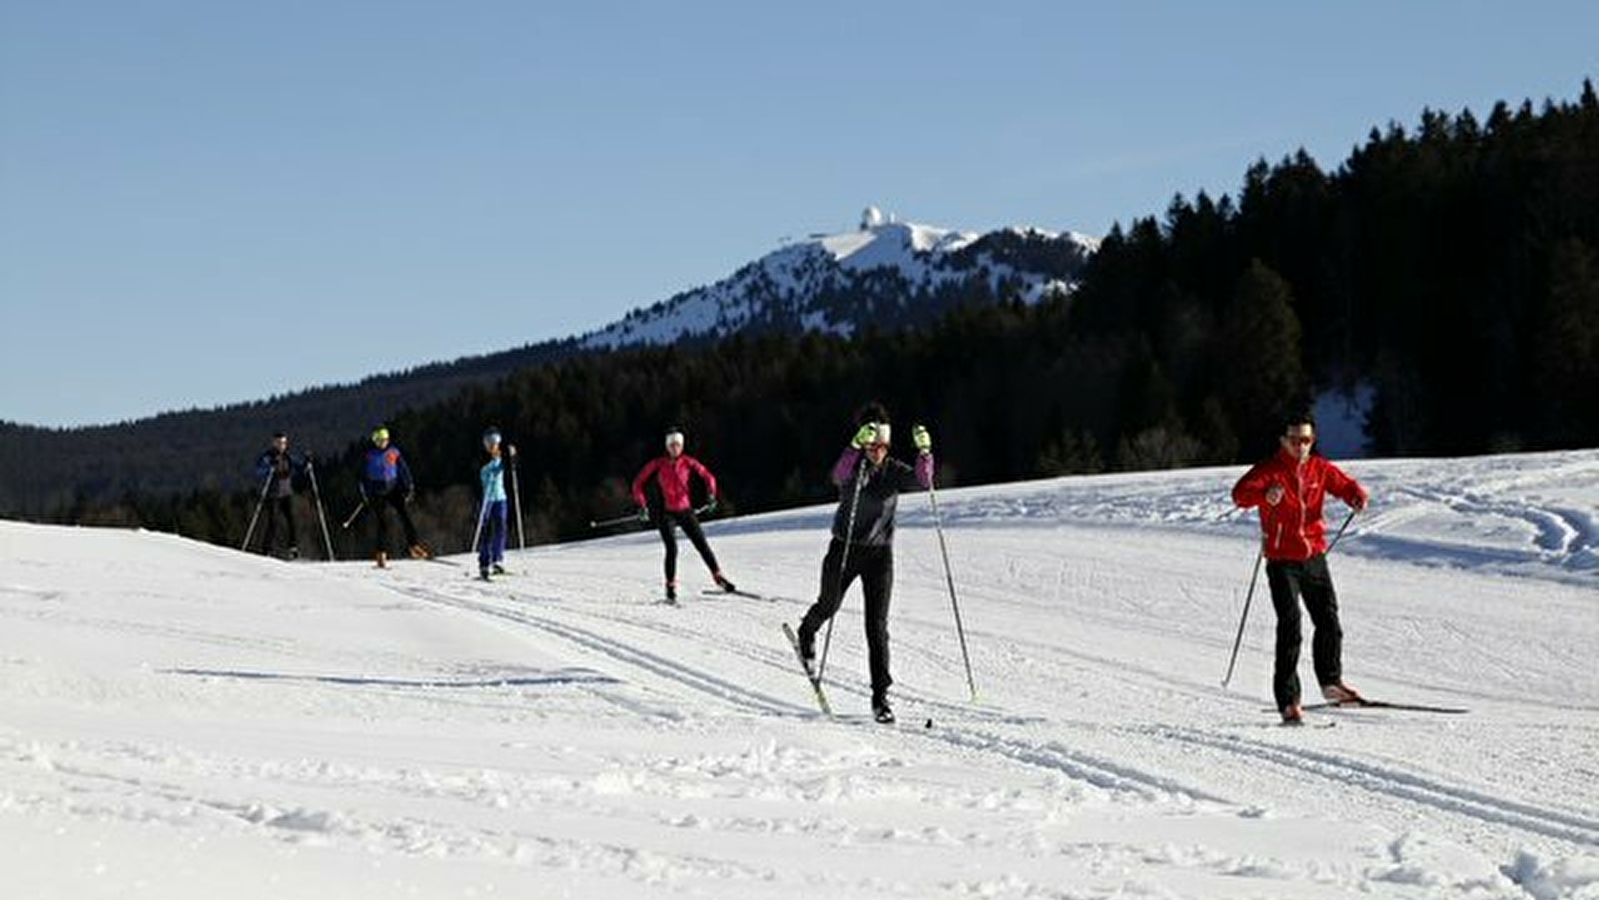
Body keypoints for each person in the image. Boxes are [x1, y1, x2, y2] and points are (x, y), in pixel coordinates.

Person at [794, 404, 934, 724]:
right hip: (844, 549)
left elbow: (923, 481)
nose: (877, 451)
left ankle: (880, 698)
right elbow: (837, 476)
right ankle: (807, 630)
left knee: (877, 628)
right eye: (871, 446)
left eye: (881, 446)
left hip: (879, 556)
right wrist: (853, 447)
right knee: (829, 605)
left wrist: (925, 452)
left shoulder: (895, 471)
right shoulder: (854, 468)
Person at [1232, 412, 1369, 724]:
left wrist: (1355, 496)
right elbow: (1240, 495)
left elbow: (1344, 485)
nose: (1301, 446)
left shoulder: (1319, 469)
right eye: (1295, 440)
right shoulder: (1270, 470)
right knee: (1290, 626)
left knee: (1329, 621)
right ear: (1283, 441)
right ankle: (1289, 701)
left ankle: (1331, 683)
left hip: (1314, 557)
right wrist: (1264, 494)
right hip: (1281, 561)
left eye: (1306, 440)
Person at [631, 427, 733, 601]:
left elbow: (708, 477)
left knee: (701, 544)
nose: (675, 448)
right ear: (667, 447)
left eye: (678, 445)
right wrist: (642, 505)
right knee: (672, 549)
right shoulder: (658, 464)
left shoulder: (688, 462)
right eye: (671, 445)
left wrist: (711, 495)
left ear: (682, 446)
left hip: (685, 510)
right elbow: (637, 484)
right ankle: (670, 587)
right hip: (666, 513)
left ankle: (718, 576)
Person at [359, 426, 427, 567]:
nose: (383, 443)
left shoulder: (394, 452)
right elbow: (362, 476)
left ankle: (414, 546)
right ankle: (381, 554)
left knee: (405, 516)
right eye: (380, 441)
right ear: (375, 441)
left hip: (392, 488)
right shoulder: (369, 455)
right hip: (377, 491)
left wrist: (409, 486)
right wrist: (365, 492)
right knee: (382, 523)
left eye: (385, 440)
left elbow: (403, 469)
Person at [252, 431, 305, 558]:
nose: (282, 445)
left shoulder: (288, 457)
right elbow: (257, 472)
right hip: (273, 495)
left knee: (292, 521)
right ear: (274, 443)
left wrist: (307, 463)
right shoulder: (268, 457)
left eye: (284, 443)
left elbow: (300, 468)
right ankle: (266, 550)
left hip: (287, 493)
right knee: (273, 523)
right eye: (280, 443)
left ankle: (293, 548)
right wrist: (270, 467)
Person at [476, 428, 514, 581]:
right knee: (486, 530)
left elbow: (510, 467)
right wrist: (493, 466)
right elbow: (484, 473)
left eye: (494, 443)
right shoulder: (484, 459)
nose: (492, 446)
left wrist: (512, 457)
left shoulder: (501, 457)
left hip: (500, 497)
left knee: (501, 527)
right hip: (487, 498)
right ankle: (484, 563)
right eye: (489, 443)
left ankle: (497, 560)